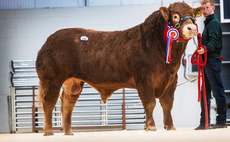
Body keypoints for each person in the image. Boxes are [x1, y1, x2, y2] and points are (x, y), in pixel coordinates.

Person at [195, 0, 227, 130]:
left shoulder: (213, 23)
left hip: (212, 60)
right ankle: (204, 122)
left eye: (207, 7)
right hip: (208, 61)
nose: (204, 10)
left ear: (213, 8)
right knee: (205, 93)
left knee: (217, 92)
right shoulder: (208, 23)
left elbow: (213, 41)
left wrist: (205, 49)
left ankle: (221, 121)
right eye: (203, 8)